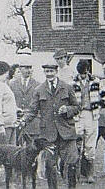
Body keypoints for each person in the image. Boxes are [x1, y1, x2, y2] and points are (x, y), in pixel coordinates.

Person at [22, 60, 80, 189]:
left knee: (71, 163)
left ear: (56, 72)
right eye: (47, 71)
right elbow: (32, 110)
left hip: (67, 132)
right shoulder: (39, 90)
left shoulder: (67, 87)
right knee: (50, 165)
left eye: (51, 71)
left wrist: (67, 109)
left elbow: (76, 107)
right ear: (44, 72)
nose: (49, 74)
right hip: (48, 135)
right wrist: (24, 121)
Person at [71, 60, 103, 183]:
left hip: (91, 115)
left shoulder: (96, 81)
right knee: (77, 143)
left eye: (84, 73)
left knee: (90, 144)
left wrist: (98, 106)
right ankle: (76, 173)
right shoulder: (72, 83)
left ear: (88, 70)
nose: (82, 76)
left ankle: (90, 174)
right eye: (80, 74)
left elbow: (104, 96)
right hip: (78, 116)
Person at [8, 56, 40, 144]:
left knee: (32, 149)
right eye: (26, 68)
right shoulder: (12, 84)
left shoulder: (37, 85)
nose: (28, 70)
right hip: (17, 121)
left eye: (30, 68)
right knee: (16, 148)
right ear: (20, 69)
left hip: (32, 123)